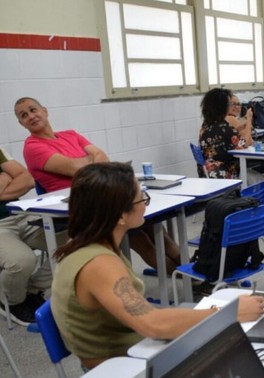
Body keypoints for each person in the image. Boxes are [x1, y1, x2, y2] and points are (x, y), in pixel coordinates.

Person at [50, 162, 264, 370]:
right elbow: (153, 324)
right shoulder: (99, 264)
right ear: (120, 216)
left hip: (135, 349)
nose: (144, 203)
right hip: (121, 368)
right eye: (141, 198)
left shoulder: (89, 243)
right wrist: (229, 313)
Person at [15, 96, 181, 273]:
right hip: (79, 208)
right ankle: (185, 279)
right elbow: (77, 169)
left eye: (33, 110)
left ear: (45, 111)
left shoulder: (70, 134)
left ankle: (192, 272)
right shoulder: (32, 147)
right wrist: (91, 159)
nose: (31, 116)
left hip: (102, 196)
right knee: (140, 238)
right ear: (22, 123)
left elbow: (104, 159)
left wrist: (89, 161)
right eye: (24, 115)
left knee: (155, 228)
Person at [0, 147, 52, 325]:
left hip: (20, 214)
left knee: (76, 242)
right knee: (22, 261)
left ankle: (31, 290)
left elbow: (28, 180)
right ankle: (14, 301)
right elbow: (16, 176)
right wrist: (6, 177)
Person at [199, 87, 243, 179]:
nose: (231, 106)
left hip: (208, 174)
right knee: (257, 178)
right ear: (222, 107)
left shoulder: (205, 125)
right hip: (225, 174)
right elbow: (244, 144)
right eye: (230, 104)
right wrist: (249, 118)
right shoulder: (223, 128)